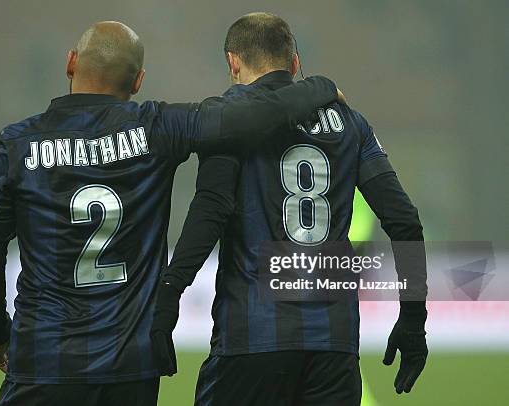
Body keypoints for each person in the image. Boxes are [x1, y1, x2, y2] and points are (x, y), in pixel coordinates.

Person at [0, 20, 342, 406]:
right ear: (138, 81)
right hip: (131, 366)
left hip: (43, 358)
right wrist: (320, 87)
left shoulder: (16, 145)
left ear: (71, 63)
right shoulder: (157, 128)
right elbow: (246, 119)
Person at [151, 12, 428, 406]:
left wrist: (169, 291)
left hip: (252, 336)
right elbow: (404, 221)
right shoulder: (350, 122)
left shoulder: (228, 121)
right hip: (334, 344)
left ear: (233, 62)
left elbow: (210, 211)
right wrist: (414, 319)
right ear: (295, 63)